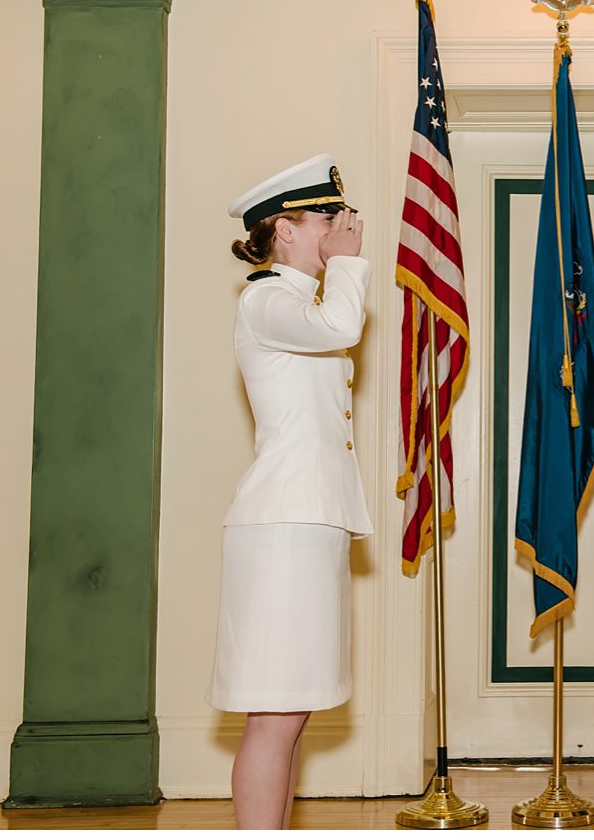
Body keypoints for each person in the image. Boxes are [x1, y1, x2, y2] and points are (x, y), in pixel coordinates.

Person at [212, 153, 372, 829]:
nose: (342, 226)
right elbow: (342, 327)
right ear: (284, 229)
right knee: (274, 715)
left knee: (294, 711)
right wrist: (348, 265)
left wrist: (337, 268)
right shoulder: (266, 300)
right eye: (326, 217)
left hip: (309, 522)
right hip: (282, 527)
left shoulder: (299, 302)